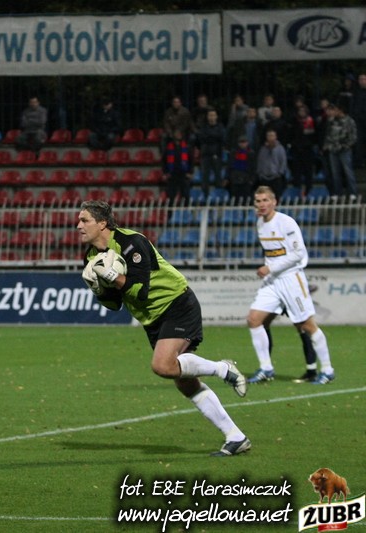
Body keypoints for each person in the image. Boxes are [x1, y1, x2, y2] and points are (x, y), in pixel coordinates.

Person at [78, 200, 249, 456]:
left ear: (102, 223)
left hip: (176, 302)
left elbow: (140, 291)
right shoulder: (91, 257)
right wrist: (98, 289)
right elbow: (114, 304)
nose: (78, 225)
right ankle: (236, 437)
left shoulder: (132, 243)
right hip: (152, 319)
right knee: (185, 383)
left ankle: (222, 368)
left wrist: (112, 276)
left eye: (84, 220)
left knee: (163, 365)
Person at [246, 186, 335, 385]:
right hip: (273, 281)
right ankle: (266, 368)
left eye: (265, 200)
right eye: (258, 201)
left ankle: (327, 370)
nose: (261, 204)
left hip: (291, 279)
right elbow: (272, 253)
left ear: (274, 202)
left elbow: (298, 254)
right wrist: (270, 269)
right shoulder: (260, 223)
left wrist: (270, 268)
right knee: (254, 319)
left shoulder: (286, 222)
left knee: (307, 325)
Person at [323, 103, 358, 201]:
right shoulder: (331, 121)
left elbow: (353, 136)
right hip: (333, 150)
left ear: (340, 110)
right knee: (335, 173)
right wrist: (327, 145)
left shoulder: (349, 121)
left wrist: (346, 146)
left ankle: (353, 192)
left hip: (344, 150)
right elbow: (328, 134)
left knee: (348, 172)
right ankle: (338, 193)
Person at [195, 108, 226, 198]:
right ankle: (205, 197)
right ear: (207, 117)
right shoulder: (203, 127)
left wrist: (210, 137)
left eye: (213, 115)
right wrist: (214, 137)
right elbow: (201, 139)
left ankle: (219, 197)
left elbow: (222, 138)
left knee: (218, 177)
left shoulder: (220, 127)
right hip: (205, 155)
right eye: (210, 115)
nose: (212, 117)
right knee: (205, 177)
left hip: (217, 154)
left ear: (216, 117)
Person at [161, 129, 193, 205]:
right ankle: (170, 212)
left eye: (180, 133)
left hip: (183, 174)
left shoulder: (187, 147)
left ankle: (186, 211)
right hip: (172, 174)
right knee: (171, 197)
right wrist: (165, 173)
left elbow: (191, 161)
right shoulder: (168, 147)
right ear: (174, 135)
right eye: (177, 133)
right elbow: (164, 161)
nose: (178, 135)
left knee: (185, 195)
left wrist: (190, 172)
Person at [256, 129, 287, 200]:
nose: (270, 137)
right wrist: (260, 173)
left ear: (275, 137)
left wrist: (280, 173)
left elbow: (283, 161)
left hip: (276, 177)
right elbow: (260, 161)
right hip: (264, 177)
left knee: (276, 198)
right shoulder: (263, 149)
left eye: (272, 135)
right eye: (269, 136)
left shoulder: (280, 148)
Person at [224, 135, 257, 203]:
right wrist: (228, 177)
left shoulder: (251, 153)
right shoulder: (233, 153)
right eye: (241, 142)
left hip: (246, 179)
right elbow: (229, 166)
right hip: (235, 179)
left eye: (244, 142)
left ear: (247, 143)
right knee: (234, 199)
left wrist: (251, 180)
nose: (242, 144)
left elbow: (254, 167)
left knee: (246, 200)